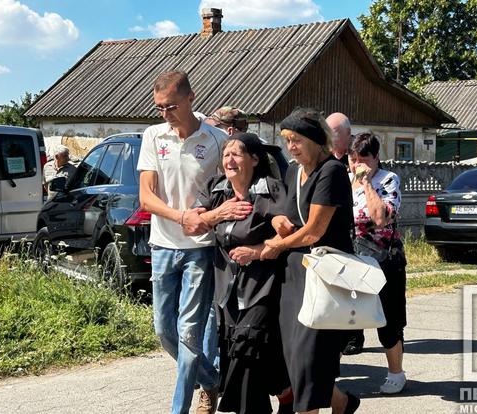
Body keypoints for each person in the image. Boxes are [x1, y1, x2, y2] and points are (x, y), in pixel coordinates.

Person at [138, 70, 239, 414]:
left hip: (200, 249)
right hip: (163, 243)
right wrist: (182, 216)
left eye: (170, 106)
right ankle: (211, 379)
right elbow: (146, 197)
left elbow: (232, 188)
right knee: (164, 330)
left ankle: (179, 407)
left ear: (190, 98)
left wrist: (211, 217)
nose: (164, 113)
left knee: (190, 332)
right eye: (159, 107)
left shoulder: (215, 140)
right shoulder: (153, 136)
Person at [261, 108, 360, 414]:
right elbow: (289, 213)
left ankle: (328, 406)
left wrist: (278, 245)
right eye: (287, 140)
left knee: (308, 359)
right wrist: (278, 220)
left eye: (297, 140)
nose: (291, 147)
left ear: (317, 140)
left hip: (324, 275)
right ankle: (342, 404)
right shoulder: (293, 171)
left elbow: (314, 231)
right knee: (297, 358)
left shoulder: (331, 171)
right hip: (295, 276)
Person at [195, 132, 292, 414]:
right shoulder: (216, 189)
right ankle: (290, 393)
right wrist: (219, 213)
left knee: (246, 351)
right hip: (226, 289)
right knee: (257, 355)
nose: (229, 159)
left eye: (236, 153)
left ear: (254, 159)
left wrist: (258, 249)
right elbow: (192, 223)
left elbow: (287, 233)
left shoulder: (269, 188)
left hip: (263, 285)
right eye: (226, 154)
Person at [347, 132, 407, 395]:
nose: (358, 165)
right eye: (353, 159)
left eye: (364, 159)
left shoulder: (388, 180)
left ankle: (396, 372)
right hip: (350, 260)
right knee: (342, 319)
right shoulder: (343, 180)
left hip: (384, 260)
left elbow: (381, 218)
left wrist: (367, 184)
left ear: (376, 158)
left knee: (388, 320)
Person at [326, 112, 364, 356]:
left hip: (353, 234)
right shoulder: (325, 161)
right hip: (331, 234)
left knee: (353, 288)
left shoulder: (356, 159)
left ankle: (354, 335)